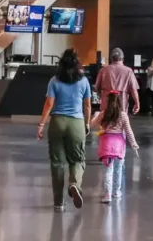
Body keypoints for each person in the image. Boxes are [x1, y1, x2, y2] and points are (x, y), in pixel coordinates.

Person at [37, 49, 92, 212]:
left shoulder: (54, 80)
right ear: (77, 64)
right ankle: (74, 184)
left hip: (57, 123)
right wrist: (87, 124)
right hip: (76, 123)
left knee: (57, 163)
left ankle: (58, 203)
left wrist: (41, 124)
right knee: (78, 159)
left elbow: (49, 104)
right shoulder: (83, 81)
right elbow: (87, 105)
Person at [90, 91, 138, 203]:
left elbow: (93, 125)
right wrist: (134, 144)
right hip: (119, 145)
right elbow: (129, 131)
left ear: (108, 101)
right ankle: (116, 192)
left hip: (106, 145)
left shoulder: (103, 114)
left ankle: (107, 195)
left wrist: (96, 115)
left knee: (108, 169)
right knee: (118, 169)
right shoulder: (123, 115)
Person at [94, 48, 139, 114]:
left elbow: (96, 87)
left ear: (111, 58)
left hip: (106, 100)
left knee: (105, 122)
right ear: (122, 58)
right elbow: (133, 89)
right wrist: (137, 103)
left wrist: (102, 96)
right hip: (122, 101)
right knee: (121, 120)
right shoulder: (128, 71)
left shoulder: (103, 70)